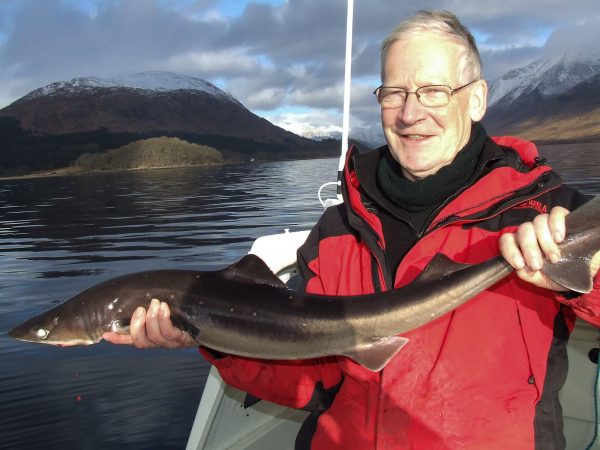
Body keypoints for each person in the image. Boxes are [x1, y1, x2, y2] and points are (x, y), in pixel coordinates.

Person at [104, 10, 600, 450]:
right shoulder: (336, 230)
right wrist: (212, 334)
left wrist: (581, 284)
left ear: (476, 101)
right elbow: (307, 380)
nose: (410, 114)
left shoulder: (546, 214)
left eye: (433, 91)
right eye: (394, 93)